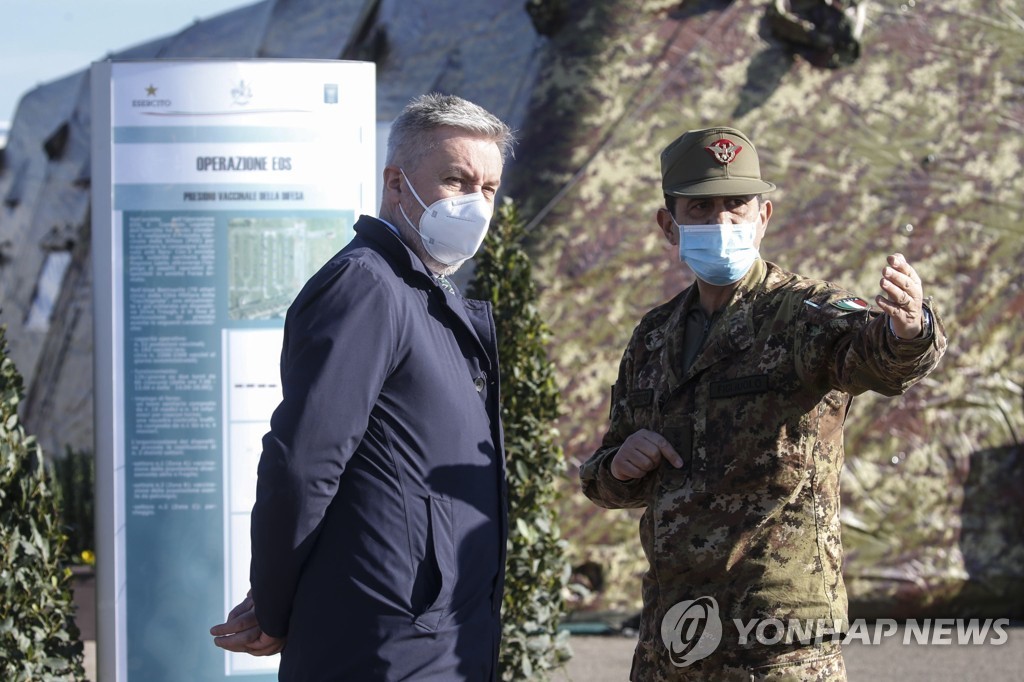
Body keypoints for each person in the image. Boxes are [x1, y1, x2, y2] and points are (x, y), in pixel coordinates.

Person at [580, 126, 946, 680]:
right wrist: (621, 465)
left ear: (764, 216)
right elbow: (606, 475)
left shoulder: (804, 313)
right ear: (668, 225)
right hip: (673, 640)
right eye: (701, 208)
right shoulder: (654, 336)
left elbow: (878, 357)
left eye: (736, 206)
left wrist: (910, 327)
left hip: (777, 645)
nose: (722, 223)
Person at [209, 93, 513, 680]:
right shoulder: (368, 287)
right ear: (396, 183)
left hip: (434, 638)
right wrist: (275, 605)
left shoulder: (424, 295)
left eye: (489, 188)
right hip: (382, 643)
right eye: (456, 180)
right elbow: (302, 464)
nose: (476, 204)